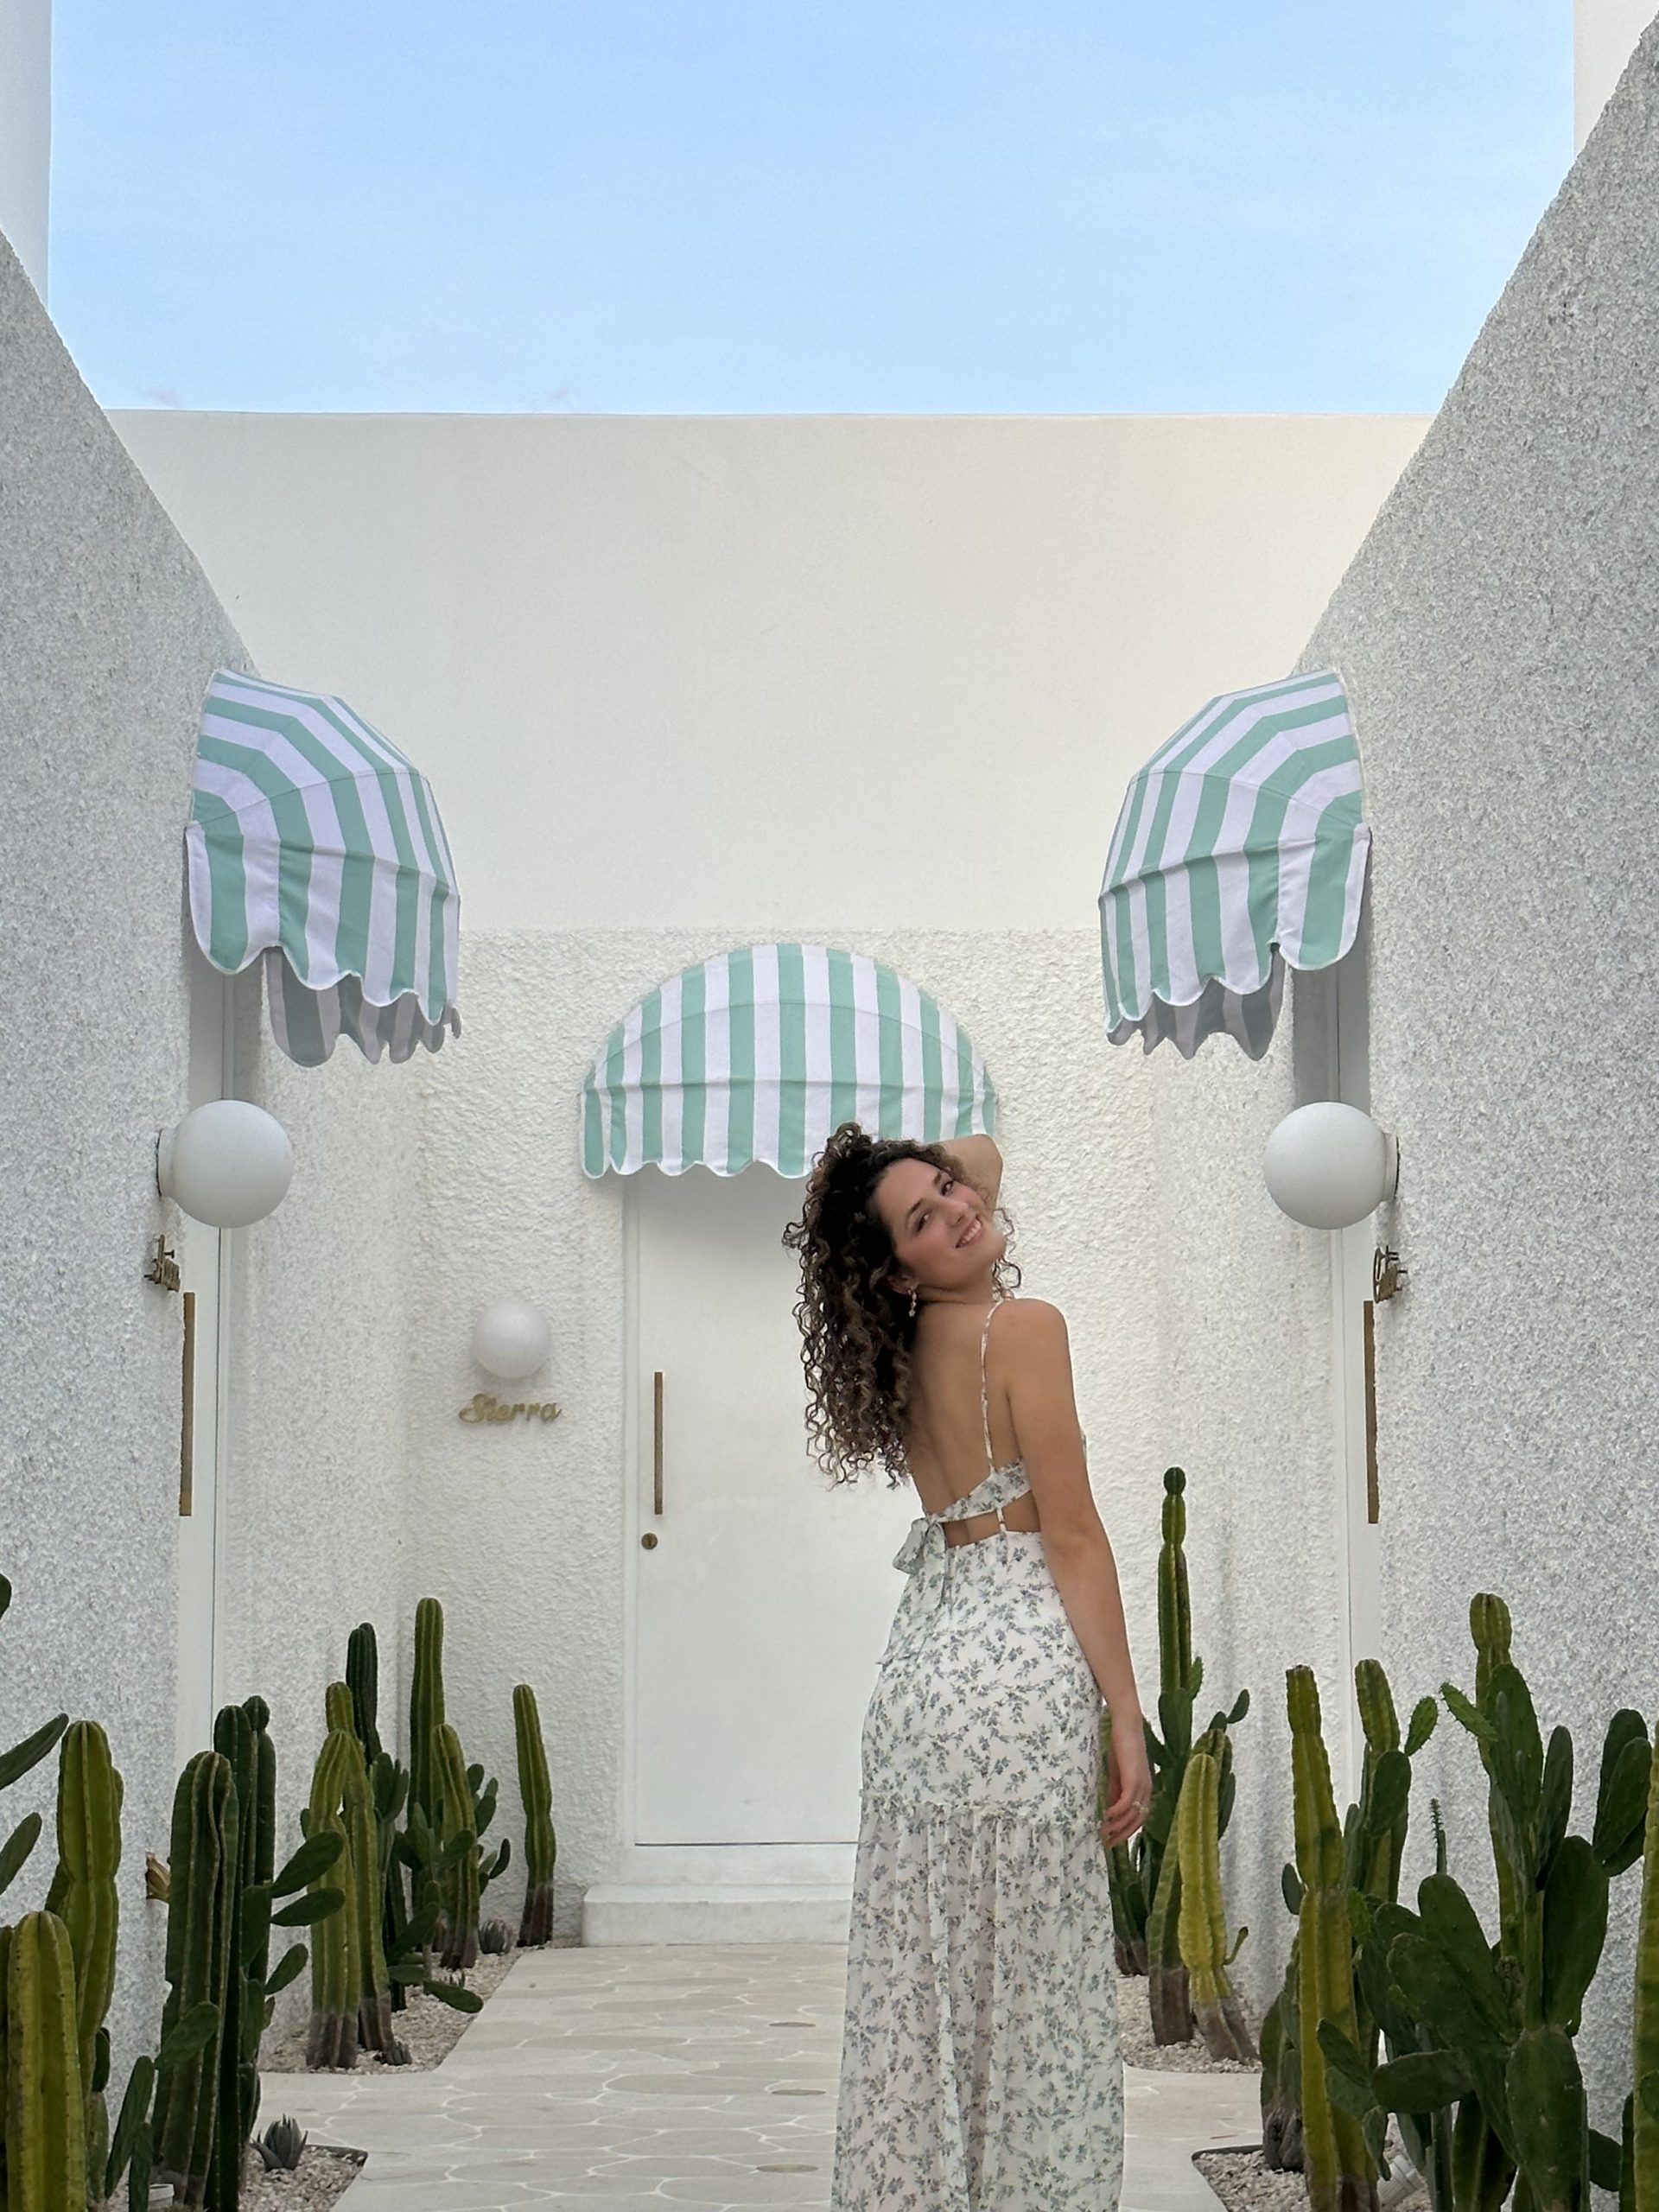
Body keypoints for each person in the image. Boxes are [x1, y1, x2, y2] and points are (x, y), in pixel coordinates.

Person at [784, 1120, 1150, 2212]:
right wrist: (1126, 1712)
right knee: (1035, 1990)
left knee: (925, 1986)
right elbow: (1072, 1535)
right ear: (896, 1271)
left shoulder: (902, 1349)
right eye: (924, 1219)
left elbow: (976, 1158)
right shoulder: (1022, 1327)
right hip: (1023, 1672)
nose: (961, 1206)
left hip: (923, 1677)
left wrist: (888, 1192)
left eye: (948, 1191)